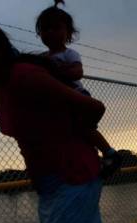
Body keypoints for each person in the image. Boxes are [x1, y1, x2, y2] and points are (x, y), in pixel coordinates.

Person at [0, 19, 105, 223]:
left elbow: (94, 107)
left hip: (73, 175)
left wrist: (72, 133)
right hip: (47, 183)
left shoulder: (24, 76)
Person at [35, 0, 121, 177]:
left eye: (56, 28)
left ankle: (110, 153)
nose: (50, 32)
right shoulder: (42, 57)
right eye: (45, 29)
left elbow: (78, 72)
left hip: (77, 96)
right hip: (60, 100)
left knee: (84, 129)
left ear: (68, 33)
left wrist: (59, 71)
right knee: (70, 131)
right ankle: (92, 156)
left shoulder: (69, 54)